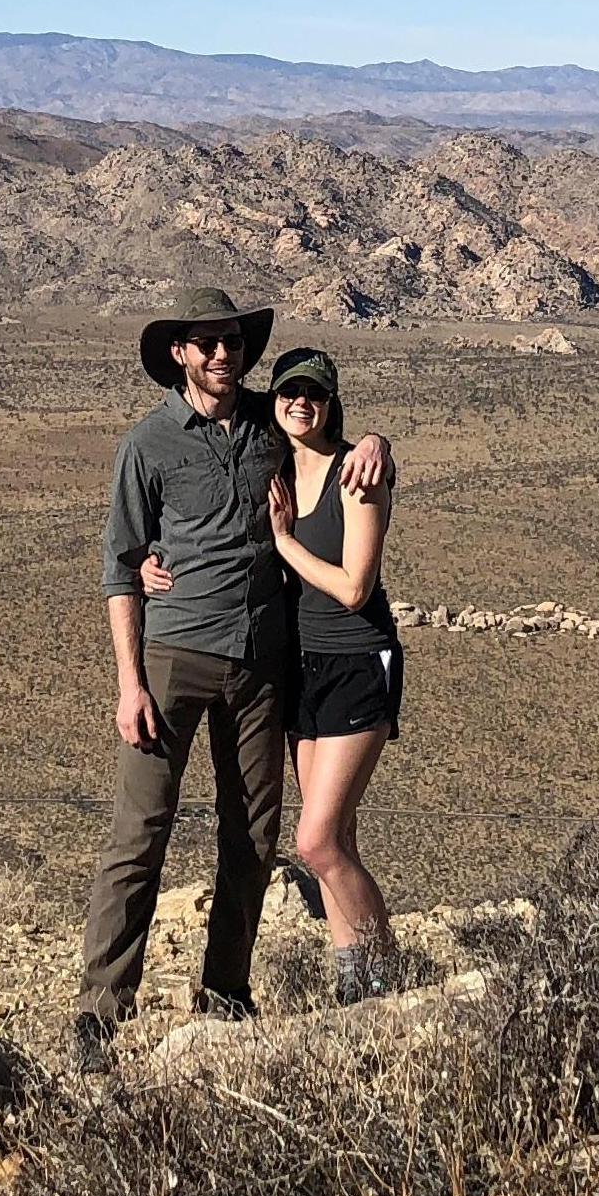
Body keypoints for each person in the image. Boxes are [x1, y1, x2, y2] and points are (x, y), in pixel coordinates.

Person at [77, 284, 389, 1074]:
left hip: (262, 664)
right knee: (138, 836)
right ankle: (99, 1013)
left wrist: (380, 438)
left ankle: (226, 995)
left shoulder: (268, 424)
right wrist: (128, 683)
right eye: (206, 342)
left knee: (250, 839)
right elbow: (120, 566)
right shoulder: (146, 445)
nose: (223, 355)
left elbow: (336, 444)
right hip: (173, 660)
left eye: (233, 342)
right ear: (179, 353)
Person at [260, 346, 404, 1000]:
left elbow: (354, 587)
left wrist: (287, 542)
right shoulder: (274, 466)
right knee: (339, 835)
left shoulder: (359, 473)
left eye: (313, 392)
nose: (300, 401)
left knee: (316, 841)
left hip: (357, 661)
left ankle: (385, 975)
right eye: (289, 389)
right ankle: (355, 983)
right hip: (303, 667)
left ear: (330, 401)